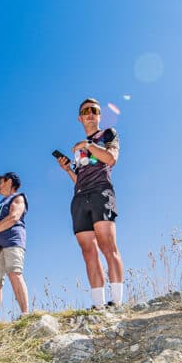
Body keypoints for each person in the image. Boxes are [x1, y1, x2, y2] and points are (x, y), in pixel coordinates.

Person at [55, 99, 125, 309]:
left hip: (101, 192)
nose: (90, 114)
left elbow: (111, 158)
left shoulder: (108, 134)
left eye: (94, 110)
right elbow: (81, 177)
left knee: (107, 246)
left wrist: (88, 145)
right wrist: (68, 169)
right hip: (79, 197)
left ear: (99, 115)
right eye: (85, 111)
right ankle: (98, 305)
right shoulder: (79, 149)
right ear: (80, 118)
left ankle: (117, 303)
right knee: (88, 251)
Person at [0, 172, 29, 321]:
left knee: (15, 274)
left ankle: (25, 314)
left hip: (12, 241)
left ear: (9, 181)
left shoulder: (18, 198)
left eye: (1, 181)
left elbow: (14, 217)